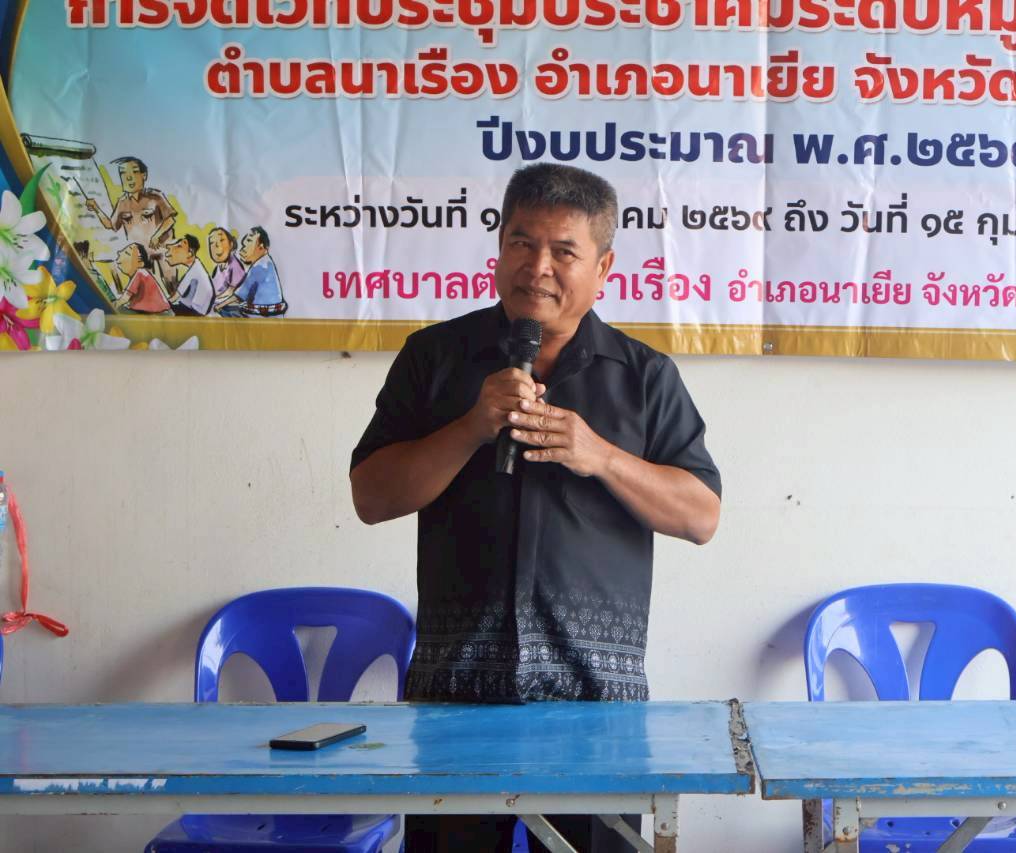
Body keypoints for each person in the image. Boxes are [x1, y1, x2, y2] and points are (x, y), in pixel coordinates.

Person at [349, 163, 721, 852]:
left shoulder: (644, 376)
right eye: (521, 243)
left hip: (595, 704)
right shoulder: (435, 357)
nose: (537, 266)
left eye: (563, 251)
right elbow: (370, 496)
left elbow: (701, 515)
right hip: (456, 698)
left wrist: (601, 456)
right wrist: (470, 427)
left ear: (603, 267)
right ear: (499, 248)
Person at [85, 156, 179, 288]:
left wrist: (157, 235)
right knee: (146, 288)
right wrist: (96, 209)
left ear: (144, 175)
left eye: (134, 172)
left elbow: (170, 219)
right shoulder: (122, 203)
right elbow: (110, 225)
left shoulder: (155, 197)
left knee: (171, 285)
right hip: (140, 257)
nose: (129, 178)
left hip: (161, 252)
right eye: (123, 173)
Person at [217, 227, 287, 317]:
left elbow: (238, 296)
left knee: (225, 311)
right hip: (272, 313)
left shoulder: (260, 267)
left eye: (249, 241)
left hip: (261, 316)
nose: (244, 247)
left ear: (261, 247)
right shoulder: (267, 262)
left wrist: (219, 305)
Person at [112, 243, 170, 314]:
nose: (119, 252)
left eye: (127, 253)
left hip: (151, 312)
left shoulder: (140, 273)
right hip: (153, 311)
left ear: (140, 263)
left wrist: (113, 305)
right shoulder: (142, 274)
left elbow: (125, 298)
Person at [164, 234, 214, 316]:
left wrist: (163, 303)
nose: (175, 249)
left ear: (190, 253)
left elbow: (176, 296)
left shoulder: (195, 269)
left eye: (179, 246)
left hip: (195, 311)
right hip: (194, 307)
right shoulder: (196, 266)